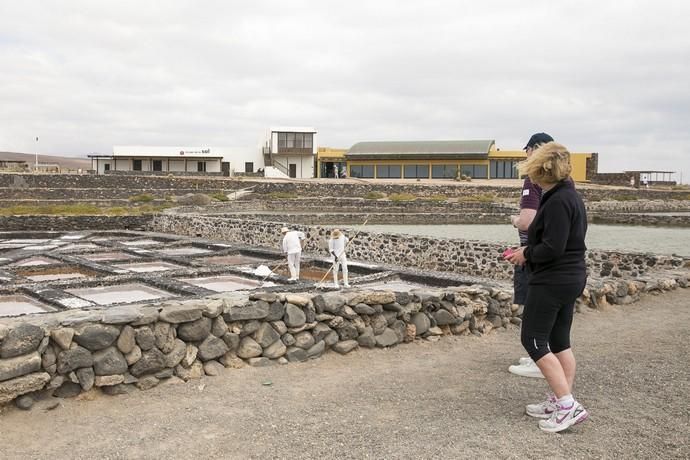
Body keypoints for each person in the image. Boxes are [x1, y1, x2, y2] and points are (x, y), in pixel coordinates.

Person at [506, 141, 589, 433]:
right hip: (571, 276)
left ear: (541, 172)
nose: (530, 178)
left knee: (533, 340)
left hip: (552, 279)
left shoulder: (555, 202)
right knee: (559, 342)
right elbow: (562, 243)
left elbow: (552, 247)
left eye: (531, 172)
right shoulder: (571, 197)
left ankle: (567, 405)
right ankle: (559, 399)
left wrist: (525, 253)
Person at [507, 132, 553, 379]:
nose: (525, 155)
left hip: (532, 254)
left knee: (534, 307)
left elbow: (526, 222)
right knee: (546, 310)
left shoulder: (533, 181)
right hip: (550, 254)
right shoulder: (561, 183)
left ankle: (540, 359)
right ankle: (542, 355)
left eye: (527, 150)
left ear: (535, 150)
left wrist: (514, 220)